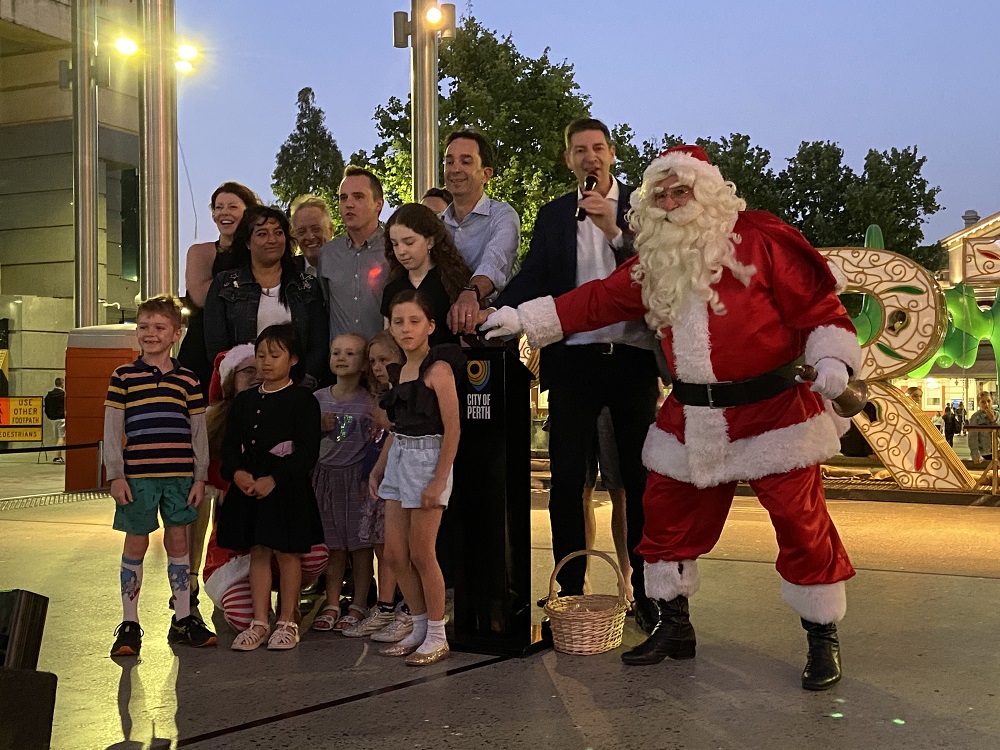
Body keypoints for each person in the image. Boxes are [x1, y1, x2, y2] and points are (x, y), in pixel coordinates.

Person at [483, 144, 862, 691]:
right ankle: (674, 626)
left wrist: (830, 357)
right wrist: (521, 317)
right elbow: (591, 301)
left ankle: (822, 635)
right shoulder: (653, 263)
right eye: (659, 193)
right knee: (664, 521)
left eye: (680, 189)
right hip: (694, 415)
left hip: (774, 411)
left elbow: (819, 307)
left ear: (708, 191)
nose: (669, 200)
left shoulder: (760, 239)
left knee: (802, 525)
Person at [492, 118, 660, 629]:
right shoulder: (553, 215)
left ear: (612, 154)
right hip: (572, 362)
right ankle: (570, 589)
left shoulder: (643, 211)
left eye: (597, 148)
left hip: (630, 359)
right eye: (579, 150)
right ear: (568, 160)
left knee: (637, 479)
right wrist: (491, 309)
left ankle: (649, 591)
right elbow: (533, 276)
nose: (590, 157)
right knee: (567, 482)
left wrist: (617, 229)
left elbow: (660, 271)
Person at [105, 295, 216, 657]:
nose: (150, 333)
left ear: (176, 334)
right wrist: (115, 474)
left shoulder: (187, 380)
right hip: (137, 477)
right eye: (143, 327)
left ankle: (183, 616)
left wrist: (200, 476)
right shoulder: (123, 376)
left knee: (179, 543)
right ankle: (129, 623)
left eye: (159, 327)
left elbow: (198, 432)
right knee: (135, 544)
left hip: (180, 478)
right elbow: (112, 428)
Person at [200, 344, 329, 633]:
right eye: (248, 369)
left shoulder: (294, 406)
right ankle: (257, 614)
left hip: (279, 512)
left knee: (311, 553)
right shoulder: (215, 428)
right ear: (230, 381)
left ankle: (288, 608)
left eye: (266, 362)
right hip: (236, 540)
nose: (259, 372)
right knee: (243, 616)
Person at [369, 290, 463, 665]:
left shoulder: (437, 370)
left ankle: (438, 633)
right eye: (398, 322)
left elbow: (453, 428)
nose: (406, 329)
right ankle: (420, 626)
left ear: (430, 326)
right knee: (394, 553)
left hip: (428, 459)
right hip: (400, 458)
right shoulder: (398, 372)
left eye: (414, 321)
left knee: (423, 552)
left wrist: (439, 480)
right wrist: (379, 467)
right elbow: (397, 428)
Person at [204, 205, 329, 386]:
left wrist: (300, 380)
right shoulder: (225, 284)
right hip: (244, 389)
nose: (272, 240)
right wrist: (245, 376)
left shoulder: (307, 285)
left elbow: (319, 344)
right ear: (247, 242)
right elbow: (216, 346)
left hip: (296, 388)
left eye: (278, 233)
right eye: (262, 234)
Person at [310, 334, 379, 634]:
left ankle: (359, 603)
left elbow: (376, 444)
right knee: (333, 546)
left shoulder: (370, 404)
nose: (341, 357)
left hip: (356, 480)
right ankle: (332, 601)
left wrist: (368, 478)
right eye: (336, 352)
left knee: (360, 546)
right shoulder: (317, 399)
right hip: (324, 478)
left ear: (363, 363)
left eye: (350, 353)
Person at [355, 330, 413, 643]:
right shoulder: (376, 398)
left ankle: (398, 607)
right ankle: (385, 604)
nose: (378, 367)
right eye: (373, 361)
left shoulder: (405, 394)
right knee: (381, 547)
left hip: (401, 481)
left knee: (397, 547)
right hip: (377, 479)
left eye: (385, 359)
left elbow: (399, 430)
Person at [179, 182, 261, 393]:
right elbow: (199, 297)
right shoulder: (200, 252)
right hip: (201, 351)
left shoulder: (260, 254)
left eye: (232, 206)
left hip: (248, 354)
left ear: (248, 212)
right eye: (218, 207)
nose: (224, 212)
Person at [441, 130, 520, 334]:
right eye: (449, 162)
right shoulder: (436, 225)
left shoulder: (503, 215)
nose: (455, 169)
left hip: (490, 334)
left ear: (486, 174)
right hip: (441, 332)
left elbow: (495, 260)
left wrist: (471, 293)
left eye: (466, 162)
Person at [382, 203, 473, 347]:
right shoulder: (393, 288)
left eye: (409, 242)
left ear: (430, 241)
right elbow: (387, 342)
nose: (401, 251)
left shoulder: (453, 283)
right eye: (395, 244)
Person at [317, 166, 390, 341]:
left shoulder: (394, 248)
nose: (349, 204)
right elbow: (324, 307)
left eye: (358, 197)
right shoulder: (328, 253)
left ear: (378, 204)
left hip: (383, 360)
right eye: (343, 198)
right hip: (342, 363)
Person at [582, 407, 633, 605]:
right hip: (577, 396)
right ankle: (582, 578)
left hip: (613, 399)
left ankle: (626, 579)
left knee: (620, 492)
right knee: (581, 490)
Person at [290, 194, 335, 276]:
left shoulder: (349, 266)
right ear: (294, 236)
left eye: (316, 229)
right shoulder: (286, 274)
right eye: (302, 231)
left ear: (331, 230)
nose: (310, 237)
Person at [968, 392, 998, 464]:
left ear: (992, 401)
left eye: (988, 401)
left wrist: (993, 420)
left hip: (998, 452)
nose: (986, 404)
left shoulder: (998, 415)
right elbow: (972, 438)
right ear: (979, 403)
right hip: (984, 454)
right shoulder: (975, 417)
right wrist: (975, 455)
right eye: (983, 402)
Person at [44, 377, 66, 464]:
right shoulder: (63, 395)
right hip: (62, 419)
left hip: (53, 419)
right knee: (62, 438)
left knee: (56, 438)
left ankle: (59, 456)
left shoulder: (49, 395)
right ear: (62, 384)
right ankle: (57, 457)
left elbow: (46, 407)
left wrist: (50, 416)